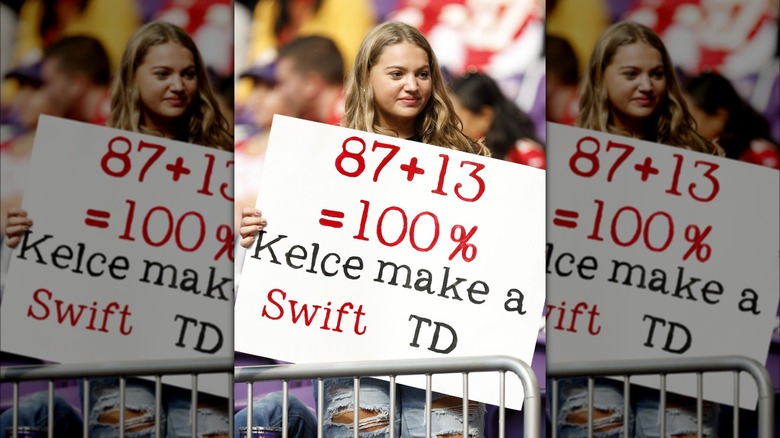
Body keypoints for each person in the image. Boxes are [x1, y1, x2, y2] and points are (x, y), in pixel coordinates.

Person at [237, 21, 489, 437]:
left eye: (422, 74)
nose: (413, 85)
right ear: (366, 79)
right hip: (353, 346)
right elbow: (304, 251)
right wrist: (261, 231)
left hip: (445, 352)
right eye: (396, 74)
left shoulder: (470, 162)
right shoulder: (321, 159)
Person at [3, 21, 232, 438]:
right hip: (118, 347)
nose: (178, 85)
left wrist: (248, 227)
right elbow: (65, 251)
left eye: (188, 73)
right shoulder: (88, 159)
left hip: (201, 353)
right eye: (162, 74)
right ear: (133, 78)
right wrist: (25, 232)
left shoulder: (225, 160)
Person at [552, 20, 723, 438]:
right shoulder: (569, 163)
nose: (647, 85)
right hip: (594, 353)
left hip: (684, 354)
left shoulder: (706, 163)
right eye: (631, 74)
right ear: (601, 79)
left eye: (657, 73)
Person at [682, 71, 780, 169]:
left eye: (689, 119)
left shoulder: (760, 157)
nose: (682, 125)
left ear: (719, 116)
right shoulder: (685, 148)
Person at [449, 70, 545, 168]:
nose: (447, 124)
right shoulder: (451, 149)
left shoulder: (525, 158)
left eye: (455, 118)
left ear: (485, 117)